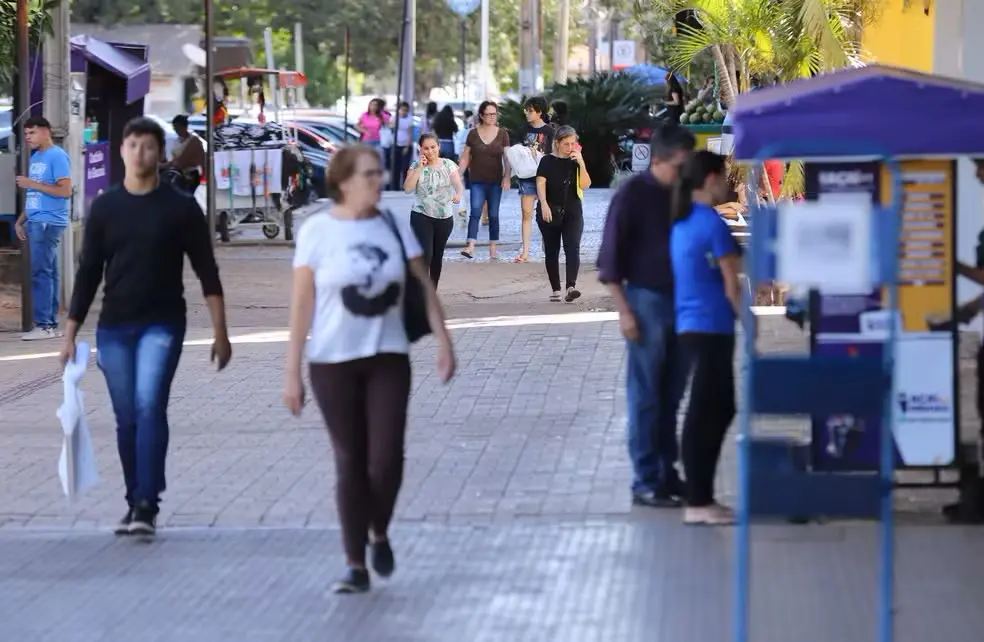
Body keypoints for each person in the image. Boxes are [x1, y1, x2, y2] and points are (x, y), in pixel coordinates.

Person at [283, 144, 456, 594]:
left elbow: (422, 283)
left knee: (386, 459)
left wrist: (444, 341)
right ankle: (355, 562)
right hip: (331, 362)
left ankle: (379, 529)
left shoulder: (393, 225)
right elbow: (302, 304)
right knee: (351, 461)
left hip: (388, 357)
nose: (378, 181)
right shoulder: (316, 231)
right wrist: (290, 372)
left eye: (379, 174)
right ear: (343, 182)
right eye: (368, 175)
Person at [60, 117, 232, 537]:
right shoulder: (105, 207)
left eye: (148, 146)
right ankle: (134, 495)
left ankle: (146, 503)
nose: (140, 153)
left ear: (161, 153)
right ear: (122, 150)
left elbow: (207, 270)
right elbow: (87, 274)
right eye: (132, 144)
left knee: (149, 405)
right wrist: (69, 333)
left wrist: (221, 332)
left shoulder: (179, 207)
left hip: (163, 323)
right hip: (114, 327)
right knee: (126, 418)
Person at [596, 125, 696, 507]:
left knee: (672, 394)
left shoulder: (685, 195)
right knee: (646, 394)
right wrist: (625, 311)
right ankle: (646, 478)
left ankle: (667, 472)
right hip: (645, 300)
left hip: (682, 303)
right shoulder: (633, 196)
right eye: (678, 166)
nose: (682, 174)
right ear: (656, 161)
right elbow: (610, 259)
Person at [670, 151, 742, 525]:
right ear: (710, 178)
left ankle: (701, 495)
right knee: (706, 409)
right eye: (724, 176)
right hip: (712, 325)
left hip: (691, 324)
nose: (726, 184)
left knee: (717, 406)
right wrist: (752, 325)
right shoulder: (711, 223)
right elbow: (733, 283)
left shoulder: (681, 220)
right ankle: (699, 499)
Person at [14, 116, 74, 341]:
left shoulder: (57, 156)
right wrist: (21, 220)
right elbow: (35, 195)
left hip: (49, 221)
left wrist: (32, 184)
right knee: (48, 271)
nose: (28, 137)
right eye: (27, 134)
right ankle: (50, 323)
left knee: (40, 272)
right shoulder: (36, 157)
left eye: (32, 133)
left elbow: (65, 190)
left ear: (46, 132)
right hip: (37, 219)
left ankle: (45, 324)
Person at [535, 126, 591, 302]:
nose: (570, 147)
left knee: (572, 247)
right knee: (552, 250)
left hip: (573, 210)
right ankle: (556, 289)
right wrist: (543, 204)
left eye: (573, 143)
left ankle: (571, 287)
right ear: (557, 143)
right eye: (566, 144)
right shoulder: (547, 161)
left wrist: (581, 163)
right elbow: (541, 183)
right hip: (550, 209)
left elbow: (585, 184)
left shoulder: (576, 161)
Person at [404, 133, 464, 286]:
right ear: (420, 149)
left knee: (437, 256)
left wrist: (458, 194)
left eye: (433, 147)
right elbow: (407, 188)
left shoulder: (448, 164)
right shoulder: (415, 165)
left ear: (439, 147)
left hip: (444, 217)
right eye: (426, 148)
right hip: (421, 214)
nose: (430, 151)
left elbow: (458, 184)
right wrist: (420, 167)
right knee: (426, 254)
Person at [458, 100, 511, 260]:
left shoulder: (503, 134)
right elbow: (466, 157)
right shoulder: (473, 134)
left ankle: (493, 247)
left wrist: (507, 176)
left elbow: (507, 158)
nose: (491, 117)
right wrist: (458, 174)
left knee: (493, 214)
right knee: (475, 211)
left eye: (494, 114)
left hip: (495, 179)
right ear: (481, 115)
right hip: (477, 179)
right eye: (488, 114)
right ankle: (470, 246)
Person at [515, 96, 554, 263]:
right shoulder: (522, 130)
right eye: (526, 110)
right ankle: (525, 251)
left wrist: (538, 155)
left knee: (546, 214)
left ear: (540, 112)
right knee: (526, 213)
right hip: (527, 176)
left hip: (546, 176)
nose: (527, 113)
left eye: (530, 111)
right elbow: (515, 150)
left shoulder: (550, 132)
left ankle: (548, 246)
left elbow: (553, 154)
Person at [166, 115, 205, 194]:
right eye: (174, 128)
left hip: (191, 174)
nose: (176, 130)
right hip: (178, 173)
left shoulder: (194, 140)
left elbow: (199, 159)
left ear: (184, 127)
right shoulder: (176, 141)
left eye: (177, 127)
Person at [392, 101, 415, 187]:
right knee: (395, 166)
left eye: (406, 110)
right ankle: (395, 185)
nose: (404, 112)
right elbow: (392, 127)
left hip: (406, 145)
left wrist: (407, 145)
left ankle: (405, 184)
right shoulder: (395, 118)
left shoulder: (410, 119)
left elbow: (410, 133)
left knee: (405, 166)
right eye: (402, 110)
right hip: (396, 144)